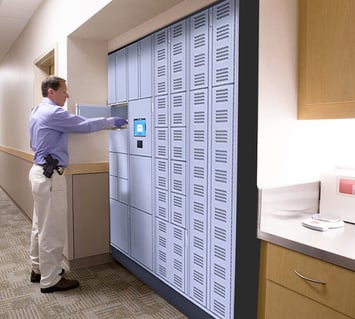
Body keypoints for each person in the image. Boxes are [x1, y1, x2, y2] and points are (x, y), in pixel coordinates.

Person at [28, 75, 127, 293]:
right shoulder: (53, 112)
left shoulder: (36, 111)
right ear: (51, 92)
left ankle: (38, 269)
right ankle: (50, 280)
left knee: (39, 226)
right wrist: (111, 121)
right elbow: (82, 124)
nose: (68, 95)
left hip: (38, 172)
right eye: (64, 91)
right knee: (51, 230)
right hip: (49, 177)